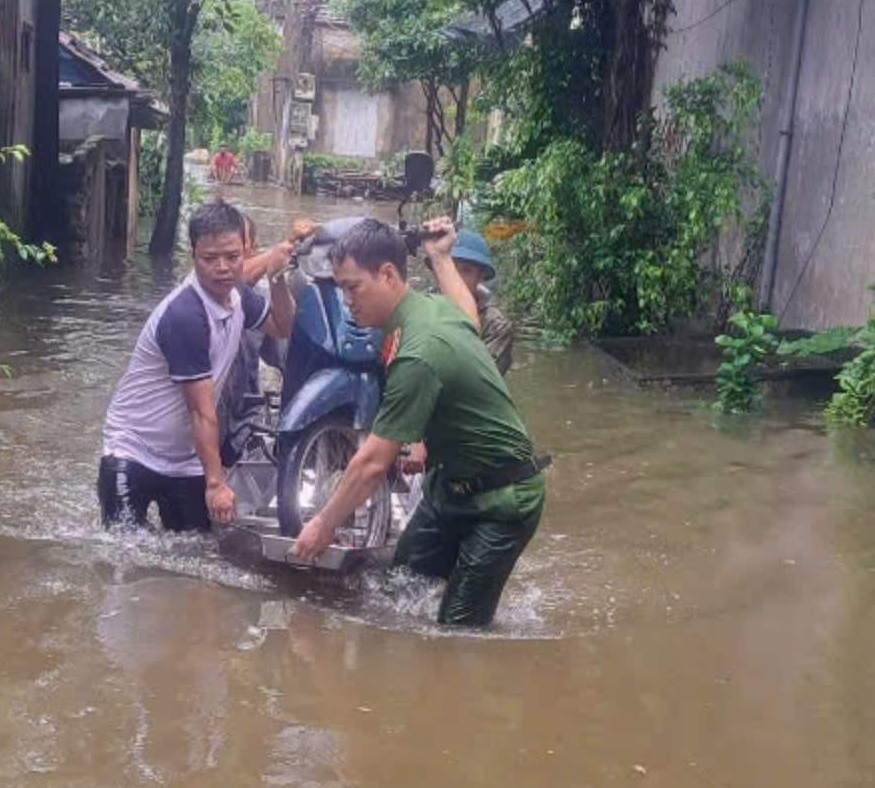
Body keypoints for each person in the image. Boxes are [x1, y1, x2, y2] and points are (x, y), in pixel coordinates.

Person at [290, 216, 545, 627]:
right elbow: (469, 314)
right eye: (341, 290)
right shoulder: (432, 309)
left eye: (353, 287)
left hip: (503, 501)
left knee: (456, 632)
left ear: (388, 274)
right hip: (450, 487)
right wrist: (440, 257)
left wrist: (322, 524)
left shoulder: (418, 350)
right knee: (396, 590)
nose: (347, 301)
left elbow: (373, 462)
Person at [98, 200, 309, 531]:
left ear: (246, 251)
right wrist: (215, 483)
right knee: (123, 556)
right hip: (133, 449)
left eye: (232, 257)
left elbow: (284, 328)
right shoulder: (186, 315)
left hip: (184, 459)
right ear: (193, 255)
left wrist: (278, 277)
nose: (222, 268)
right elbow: (201, 410)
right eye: (210, 259)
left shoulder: (240, 298)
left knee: (196, 556)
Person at [437, 227, 514, 373]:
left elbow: (480, 381)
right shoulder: (425, 306)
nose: (456, 277)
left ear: (480, 277)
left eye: (466, 271)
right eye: (451, 268)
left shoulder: (496, 326)